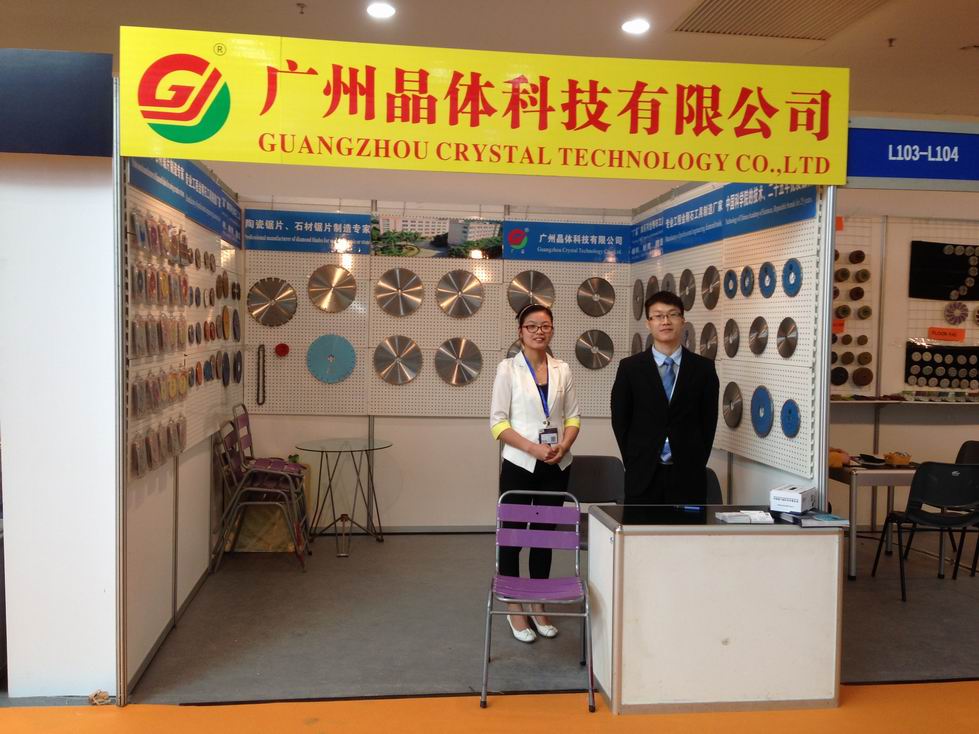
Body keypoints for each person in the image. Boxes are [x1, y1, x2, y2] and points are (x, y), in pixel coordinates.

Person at [489, 304, 580, 643]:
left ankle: (538, 602)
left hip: (556, 465)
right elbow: (498, 424)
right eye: (532, 326)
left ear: (552, 329)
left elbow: (573, 417)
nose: (539, 331)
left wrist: (564, 445)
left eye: (545, 325)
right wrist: (533, 448)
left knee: (544, 537)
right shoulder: (507, 369)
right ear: (521, 332)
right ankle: (514, 605)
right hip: (519, 464)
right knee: (513, 537)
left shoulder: (562, 369)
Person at [611, 291, 719, 504]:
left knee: (688, 526)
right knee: (641, 526)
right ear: (648, 323)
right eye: (658, 316)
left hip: (689, 474)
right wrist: (634, 459)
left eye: (672, 314)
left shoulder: (704, 368)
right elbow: (620, 420)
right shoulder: (630, 368)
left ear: (682, 320)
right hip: (642, 474)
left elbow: (709, 422)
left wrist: (696, 460)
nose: (666, 321)